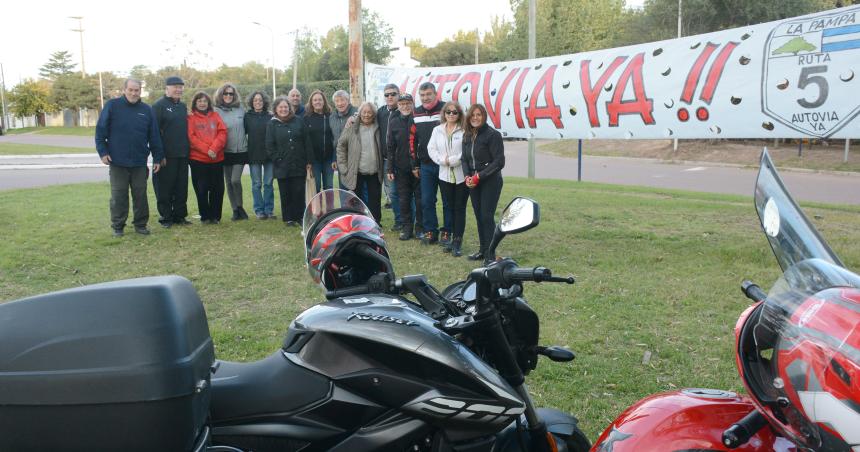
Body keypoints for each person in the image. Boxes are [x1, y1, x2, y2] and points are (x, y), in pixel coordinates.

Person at [95, 78, 164, 237]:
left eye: (137, 90)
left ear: (140, 91)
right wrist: (103, 152)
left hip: (139, 162)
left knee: (140, 195)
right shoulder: (112, 106)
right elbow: (100, 132)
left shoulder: (146, 110)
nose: (134, 93)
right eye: (131, 90)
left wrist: (158, 158)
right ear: (124, 90)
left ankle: (140, 225)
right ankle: (118, 226)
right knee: (119, 195)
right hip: (117, 161)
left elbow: (154, 136)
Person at [462, 104, 505, 265]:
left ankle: (491, 253)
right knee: (479, 216)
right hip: (473, 181)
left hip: (490, 180)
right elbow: (464, 159)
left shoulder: (493, 135)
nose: (475, 118)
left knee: (487, 216)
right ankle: (482, 250)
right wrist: (467, 176)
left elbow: (499, 162)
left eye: (479, 115)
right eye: (472, 115)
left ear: (484, 116)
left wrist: (479, 176)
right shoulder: (467, 135)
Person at [427, 101, 467, 257]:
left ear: (459, 114)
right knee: (448, 206)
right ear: (444, 113)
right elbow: (431, 149)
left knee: (459, 208)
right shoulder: (437, 130)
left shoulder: (464, 130)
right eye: (448, 112)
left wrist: (455, 160)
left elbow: (466, 150)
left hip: (461, 176)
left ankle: (457, 241)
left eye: (455, 112)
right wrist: (443, 160)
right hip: (444, 175)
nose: (451, 114)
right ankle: (450, 237)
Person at [266, 96, 312, 226]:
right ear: (276, 109)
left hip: (299, 162)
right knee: (285, 192)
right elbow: (269, 145)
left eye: (285, 107)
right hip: (282, 164)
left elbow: (306, 141)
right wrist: (277, 159)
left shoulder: (298, 121)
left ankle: (299, 216)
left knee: (298, 191)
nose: (283, 109)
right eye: (280, 107)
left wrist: (308, 161)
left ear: (289, 108)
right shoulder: (272, 124)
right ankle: (288, 218)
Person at [151, 76, 190, 228]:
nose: (178, 89)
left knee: (181, 188)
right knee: (164, 188)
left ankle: (179, 216)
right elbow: (154, 133)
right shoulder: (158, 106)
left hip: (182, 154)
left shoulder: (182, 106)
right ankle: (166, 217)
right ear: (167, 88)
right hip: (166, 156)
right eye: (175, 86)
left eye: (181, 87)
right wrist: (159, 156)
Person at [337, 102, 383, 223]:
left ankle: (375, 222)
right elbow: (341, 146)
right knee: (355, 199)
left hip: (374, 170)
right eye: (364, 112)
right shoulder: (351, 127)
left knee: (375, 199)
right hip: (356, 171)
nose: (367, 115)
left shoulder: (378, 127)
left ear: (374, 114)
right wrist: (343, 167)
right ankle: (356, 222)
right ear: (360, 113)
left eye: (369, 112)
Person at [187, 91, 227, 224]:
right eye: (199, 101)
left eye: (204, 101)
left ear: (208, 103)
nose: (202, 103)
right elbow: (191, 138)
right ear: (195, 103)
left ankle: (216, 216)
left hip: (217, 159)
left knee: (218, 189)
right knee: (202, 189)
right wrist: (207, 150)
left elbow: (222, 133)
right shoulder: (190, 118)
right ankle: (205, 216)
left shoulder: (216, 116)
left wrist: (214, 148)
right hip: (199, 160)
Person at [386, 93, 422, 241]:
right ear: (398, 105)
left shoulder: (418, 120)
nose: (405, 106)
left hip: (419, 167)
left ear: (412, 104)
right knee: (404, 199)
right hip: (401, 168)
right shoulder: (394, 122)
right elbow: (390, 147)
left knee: (420, 199)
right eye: (402, 104)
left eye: (408, 103)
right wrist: (389, 168)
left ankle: (420, 228)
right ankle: (407, 228)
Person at [413, 82, 444, 246]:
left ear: (435, 94)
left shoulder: (446, 109)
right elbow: (414, 140)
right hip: (425, 165)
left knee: (448, 202)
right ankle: (431, 232)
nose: (425, 98)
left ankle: (447, 233)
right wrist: (415, 164)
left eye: (428, 94)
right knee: (427, 201)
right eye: (422, 95)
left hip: (446, 164)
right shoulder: (416, 112)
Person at [214, 83, 249, 221]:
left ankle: (240, 206)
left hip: (240, 150)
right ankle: (235, 210)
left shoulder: (240, 109)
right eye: (226, 93)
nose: (228, 96)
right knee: (228, 182)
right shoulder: (216, 111)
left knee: (235, 180)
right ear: (221, 95)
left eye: (231, 94)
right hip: (225, 151)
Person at [244, 91, 275, 219]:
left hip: (269, 155)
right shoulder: (247, 116)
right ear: (252, 102)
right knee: (256, 184)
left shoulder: (270, 116)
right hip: (253, 154)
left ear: (264, 102)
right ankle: (259, 211)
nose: (258, 102)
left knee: (268, 183)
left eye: (260, 100)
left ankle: (269, 210)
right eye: (256, 100)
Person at [376, 83, 402, 231]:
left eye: (393, 94)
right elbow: (363, 113)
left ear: (398, 94)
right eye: (387, 95)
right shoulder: (380, 112)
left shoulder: (404, 110)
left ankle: (410, 220)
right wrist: (354, 117)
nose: (390, 97)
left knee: (406, 192)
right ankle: (399, 220)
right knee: (392, 192)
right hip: (387, 161)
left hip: (403, 160)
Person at [303, 89, 334, 193]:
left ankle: (329, 209)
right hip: (314, 160)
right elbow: (305, 141)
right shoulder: (306, 118)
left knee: (329, 187)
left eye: (320, 100)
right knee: (315, 187)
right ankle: (317, 209)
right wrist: (308, 160)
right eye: (315, 100)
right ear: (311, 102)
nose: (317, 102)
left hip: (328, 159)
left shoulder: (330, 116)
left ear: (324, 101)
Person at [330, 90, 357, 190]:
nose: (340, 103)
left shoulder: (357, 113)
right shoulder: (332, 117)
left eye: (342, 100)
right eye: (337, 101)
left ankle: (360, 206)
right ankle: (345, 206)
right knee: (343, 188)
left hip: (355, 156)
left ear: (348, 100)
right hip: (341, 157)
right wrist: (334, 158)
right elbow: (334, 140)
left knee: (356, 188)